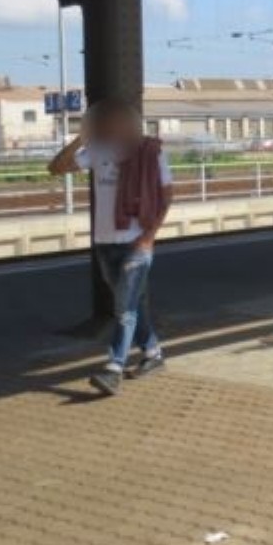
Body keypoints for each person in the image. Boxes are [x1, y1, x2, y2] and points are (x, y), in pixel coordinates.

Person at [48, 100, 174, 396]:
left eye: (120, 121)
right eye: (107, 122)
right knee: (133, 304)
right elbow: (56, 168)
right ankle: (153, 354)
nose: (113, 126)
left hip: (136, 243)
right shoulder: (97, 150)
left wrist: (149, 237)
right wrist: (81, 138)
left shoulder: (152, 152)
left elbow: (168, 196)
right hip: (105, 243)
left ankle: (113, 368)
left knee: (123, 309)